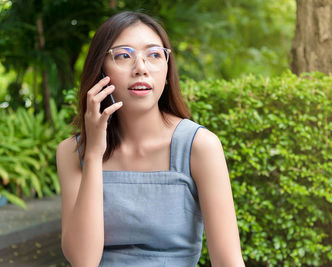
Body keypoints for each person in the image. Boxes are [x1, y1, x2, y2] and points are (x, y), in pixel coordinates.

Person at [56, 11, 245, 267]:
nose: (141, 68)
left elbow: (228, 262)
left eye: (155, 55)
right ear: (100, 71)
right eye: (124, 55)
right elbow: (83, 260)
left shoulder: (199, 146)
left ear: (167, 71)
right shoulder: (72, 152)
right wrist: (93, 155)